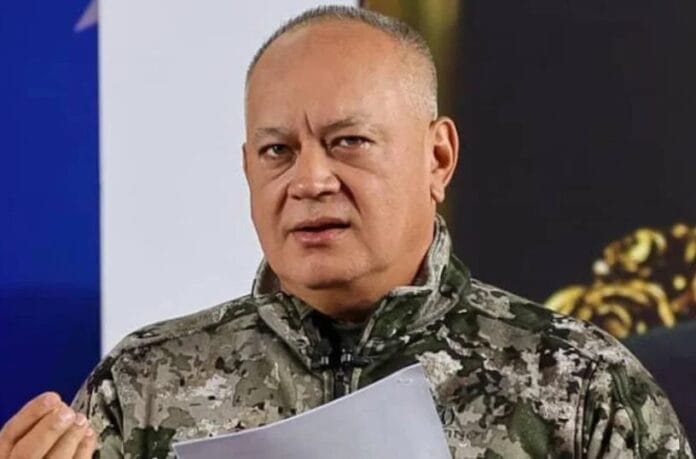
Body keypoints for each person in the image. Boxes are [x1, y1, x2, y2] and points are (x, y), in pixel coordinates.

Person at [0, 6, 691, 459]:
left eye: (348, 142)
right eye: (277, 151)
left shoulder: (579, 382)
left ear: (437, 158)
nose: (309, 180)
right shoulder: (143, 382)